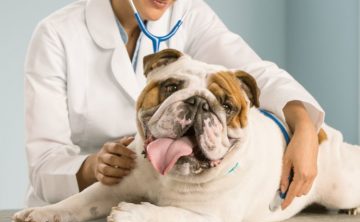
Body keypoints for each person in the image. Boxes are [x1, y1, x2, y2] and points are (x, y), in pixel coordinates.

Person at [25, 0, 324, 210]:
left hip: (165, 206)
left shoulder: (188, 14)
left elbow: (254, 73)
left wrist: (304, 127)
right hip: (82, 211)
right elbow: (43, 165)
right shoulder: (56, 35)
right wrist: (92, 167)